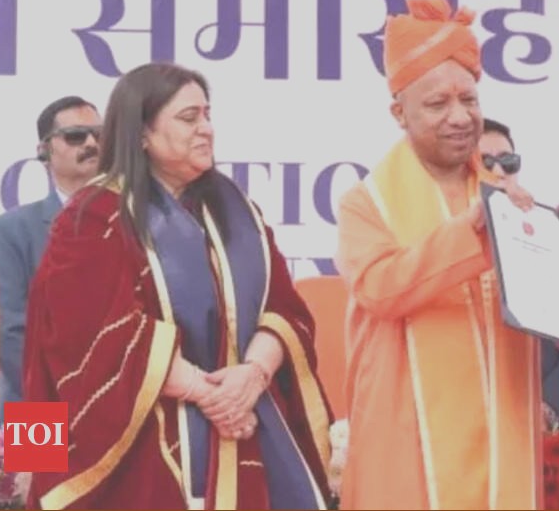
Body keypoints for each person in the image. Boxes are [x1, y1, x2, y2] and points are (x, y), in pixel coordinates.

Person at [22, 63, 332, 509]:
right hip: (145, 444)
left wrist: (253, 375)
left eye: (207, 115)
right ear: (141, 134)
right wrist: (212, 395)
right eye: (189, 118)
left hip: (248, 421)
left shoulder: (237, 211)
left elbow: (285, 309)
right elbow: (87, 340)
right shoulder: (94, 217)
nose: (206, 128)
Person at [335, 0, 559, 510]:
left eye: (469, 100)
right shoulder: (366, 204)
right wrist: (471, 230)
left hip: (501, 438)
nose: (460, 117)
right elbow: (381, 289)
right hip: (408, 443)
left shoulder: (510, 200)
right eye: (437, 104)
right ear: (399, 112)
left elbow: (547, 309)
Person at [0, 96, 101, 429]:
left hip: (114, 409)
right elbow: (12, 332)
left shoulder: (133, 222)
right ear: (44, 150)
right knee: (34, 469)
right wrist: (63, 400)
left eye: (99, 134)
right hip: (34, 407)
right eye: (76, 135)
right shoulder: (11, 230)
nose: (92, 143)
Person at [479, 117, 559, 429]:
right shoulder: (443, 238)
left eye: (508, 161)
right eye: (485, 162)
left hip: (553, 425)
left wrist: (548, 407)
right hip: (467, 416)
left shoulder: (551, 231)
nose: (499, 171)